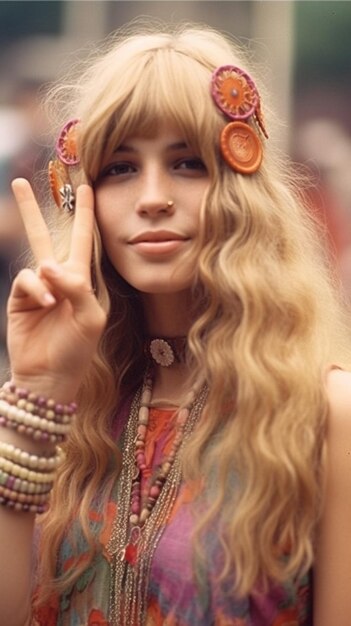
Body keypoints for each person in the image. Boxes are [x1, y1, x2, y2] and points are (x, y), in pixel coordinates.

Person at [0, 22, 351, 626]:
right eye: (120, 168)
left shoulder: (326, 415)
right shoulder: (55, 406)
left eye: (188, 162)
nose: (154, 196)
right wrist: (41, 394)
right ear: (83, 197)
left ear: (240, 187)